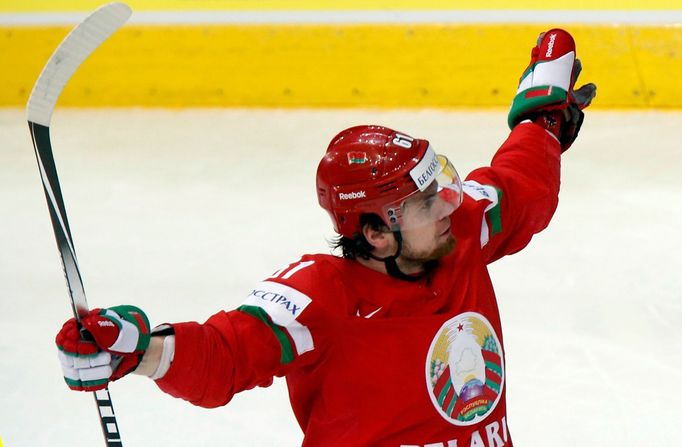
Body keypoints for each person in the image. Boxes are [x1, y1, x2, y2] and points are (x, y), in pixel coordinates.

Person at [55, 28, 596, 447]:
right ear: (376, 234)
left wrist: (542, 122)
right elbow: (226, 355)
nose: (450, 207)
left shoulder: (458, 236)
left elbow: (522, 188)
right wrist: (139, 350)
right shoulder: (320, 297)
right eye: (427, 203)